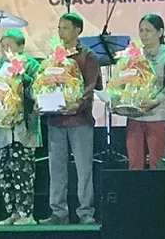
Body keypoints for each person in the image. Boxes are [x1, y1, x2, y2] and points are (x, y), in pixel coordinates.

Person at [41, 12, 101, 226]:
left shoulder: (88, 55)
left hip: (79, 121)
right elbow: (44, 82)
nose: (61, 32)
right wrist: (41, 100)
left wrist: (77, 104)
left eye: (65, 28)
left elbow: (91, 86)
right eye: (59, 27)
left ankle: (85, 213)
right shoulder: (54, 56)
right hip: (56, 120)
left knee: (84, 169)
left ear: (78, 30)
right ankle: (58, 213)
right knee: (56, 168)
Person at [0, 29, 41, 226]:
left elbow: (37, 92)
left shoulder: (32, 65)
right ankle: (12, 211)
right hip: (3, 127)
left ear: (21, 46)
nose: (6, 50)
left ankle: (26, 213)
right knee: (5, 172)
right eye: (3, 46)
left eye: (10, 46)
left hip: (24, 127)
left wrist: (23, 77)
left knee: (23, 171)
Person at [125, 14, 165, 170]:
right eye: (141, 30)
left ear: (160, 32)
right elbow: (125, 81)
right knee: (134, 163)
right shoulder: (134, 56)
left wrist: (155, 101)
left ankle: (157, 187)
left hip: (157, 117)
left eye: (148, 30)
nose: (143, 35)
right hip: (135, 116)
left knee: (157, 163)